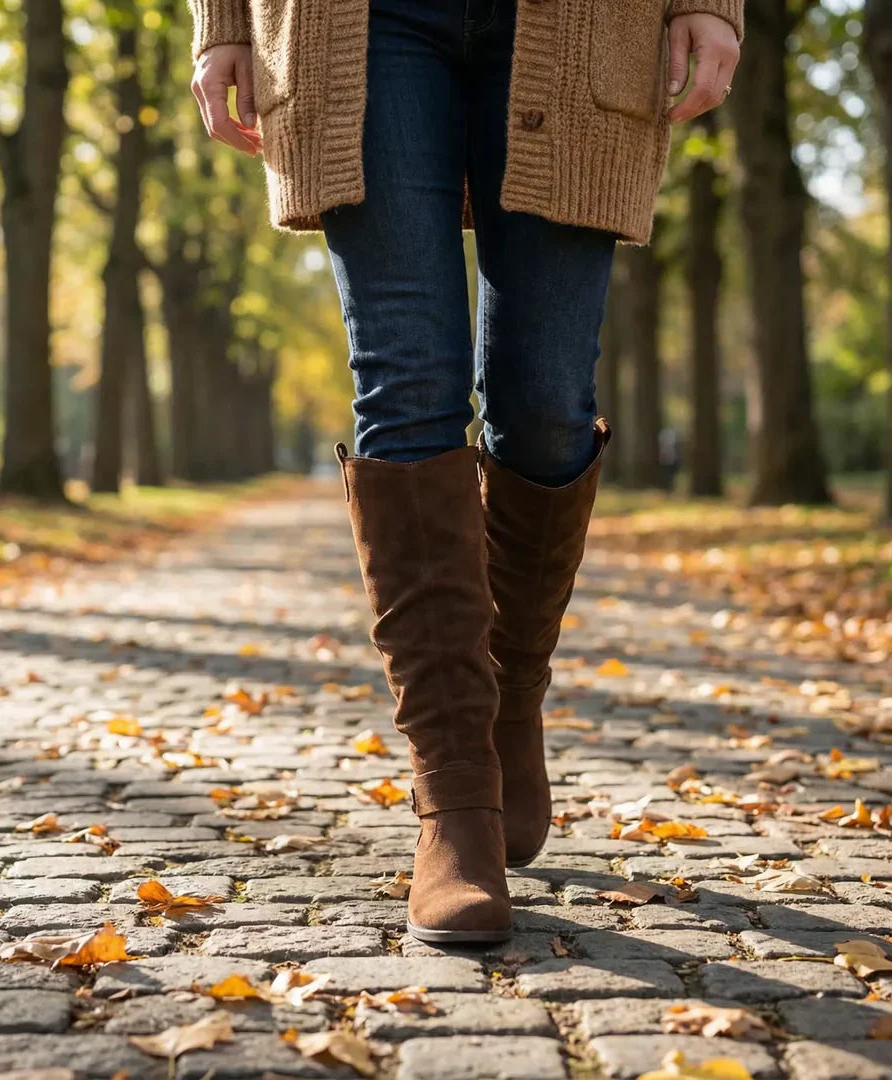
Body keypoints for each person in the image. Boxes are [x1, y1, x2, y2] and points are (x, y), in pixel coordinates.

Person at [188, 0, 742, 945]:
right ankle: (455, 801)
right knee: (405, 386)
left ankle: (509, 696)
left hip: (582, 22)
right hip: (353, 22)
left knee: (545, 400)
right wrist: (219, 21)